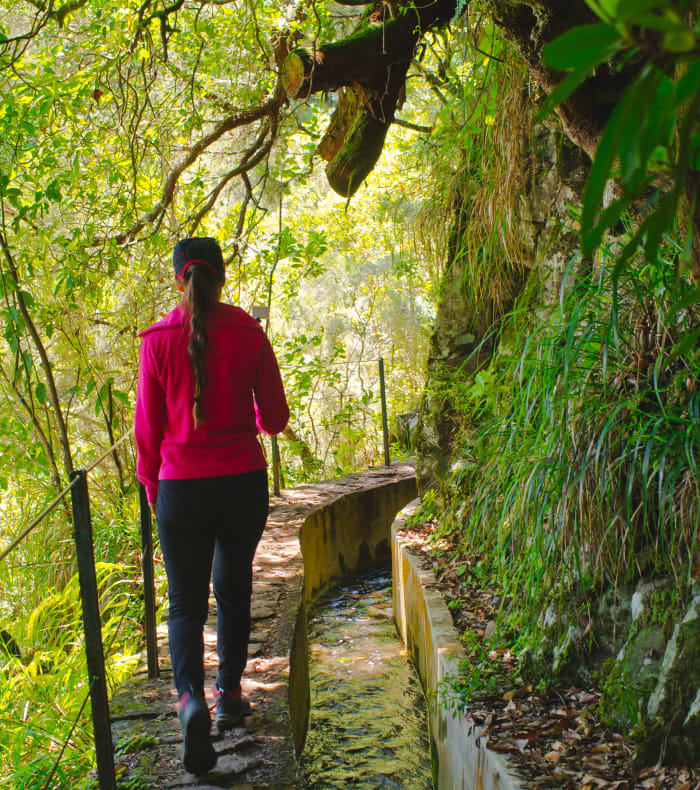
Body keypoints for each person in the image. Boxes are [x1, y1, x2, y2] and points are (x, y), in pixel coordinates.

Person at [134, 237, 289, 775]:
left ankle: (189, 700)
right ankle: (229, 697)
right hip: (242, 482)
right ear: (222, 278)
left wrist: (156, 493)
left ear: (180, 280)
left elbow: (146, 435)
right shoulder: (249, 332)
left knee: (184, 604)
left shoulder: (155, 340)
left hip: (181, 489)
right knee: (233, 588)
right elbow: (274, 419)